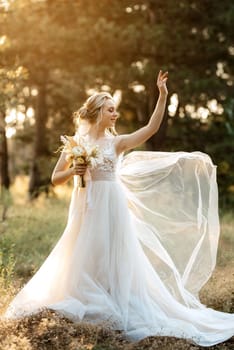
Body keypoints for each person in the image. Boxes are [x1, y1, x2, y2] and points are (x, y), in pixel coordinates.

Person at [4, 71, 234, 346]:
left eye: (115, 109)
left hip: (112, 205)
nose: (115, 114)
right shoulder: (76, 143)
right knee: (83, 250)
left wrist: (162, 95)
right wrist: (74, 170)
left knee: (112, 250)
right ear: (98, 112)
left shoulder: (117, 143)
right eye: (110, 109)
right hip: (84, 205)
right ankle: (87, 296)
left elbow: (150, 129)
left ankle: (115, 298)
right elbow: (55, 178)